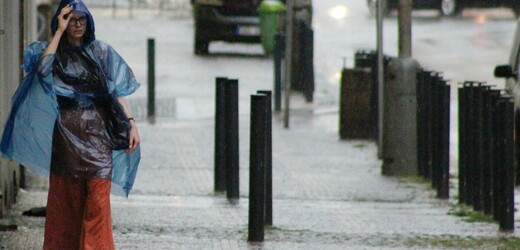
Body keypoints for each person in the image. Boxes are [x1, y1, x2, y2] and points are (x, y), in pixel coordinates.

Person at [0, 0, 141, 249]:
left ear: (89, 22)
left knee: (98, 202)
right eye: (71, 19)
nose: (77, 24)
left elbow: (115, 92)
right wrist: (58, 31)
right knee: (67, 204)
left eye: (81, 19)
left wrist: (131, 123)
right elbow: (42, 69)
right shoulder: (54, 54)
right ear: (62, 21)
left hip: (99, 137)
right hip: (67, 138)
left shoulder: (102, 52)